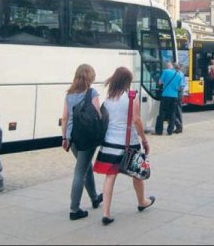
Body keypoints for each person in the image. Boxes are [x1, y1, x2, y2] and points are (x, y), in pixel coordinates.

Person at [93, 67, 155, 225]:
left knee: (110, 176)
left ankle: (106, 213)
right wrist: (144, 140)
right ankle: (142, 201)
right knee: (137, 174)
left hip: (110, 143)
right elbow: (136, 120)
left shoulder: (109, 98)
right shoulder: (131, 96)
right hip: (129, 143)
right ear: (127, 81)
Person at [61, 64, 103, 220]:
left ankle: (94, 197)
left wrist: (64, 137)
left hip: (73, 138)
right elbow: (97, 114)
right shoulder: (92, 93)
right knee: (80, 172)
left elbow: (64, 117)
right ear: (90, 77)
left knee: (86, 166)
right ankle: (74, 209)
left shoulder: (69, 94)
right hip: (87, 137)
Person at [154, 62, 182, 135]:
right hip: (174, 97)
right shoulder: (179, 75)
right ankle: (170, 131)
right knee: (172, 114)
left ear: (172, 66)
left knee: (162, 113)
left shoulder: (166, 71)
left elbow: (160, 82)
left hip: (166, 95)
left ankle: (159, 131)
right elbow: (179, 88)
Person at [174, 63, 186, 134]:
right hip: (180, 92)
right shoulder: (181, 73)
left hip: (178, 92)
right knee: (178, 110)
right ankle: (179, 127)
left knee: (177, 110)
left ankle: (179, 127)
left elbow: (179, 86)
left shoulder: (178, 74)